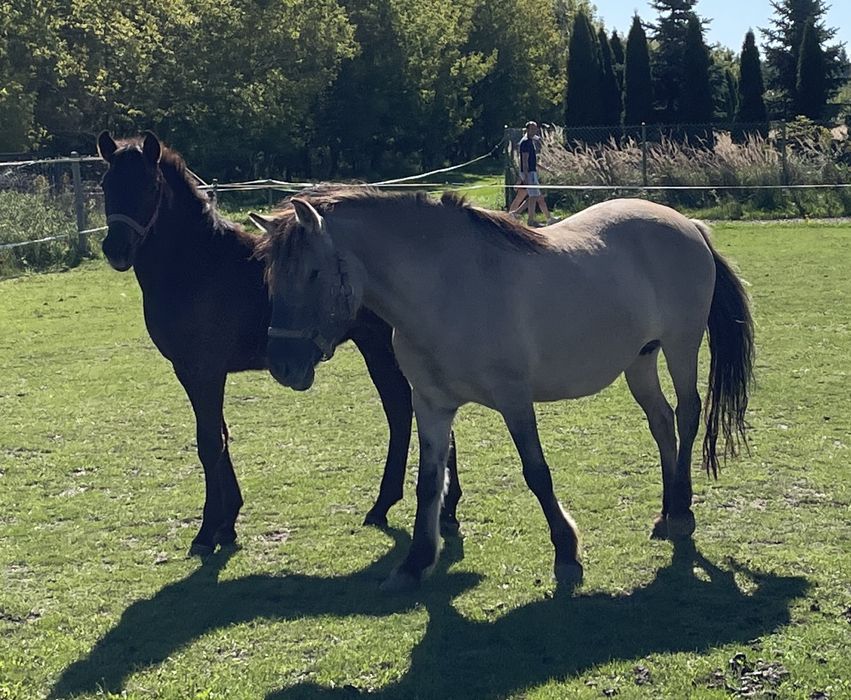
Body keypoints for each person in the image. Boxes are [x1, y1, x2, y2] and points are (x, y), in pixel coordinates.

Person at [511, 121, 558, 227]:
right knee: (534, 197)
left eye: (535, 129)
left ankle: (548, 218)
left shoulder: (531, 141)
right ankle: (528, 219)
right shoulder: (525, 142)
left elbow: (533, 161)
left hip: (532, 172)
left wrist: (546, 169)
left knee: (538, 197)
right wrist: (526, 177)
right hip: (529, 174)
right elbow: (524, 161)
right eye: (532, 129)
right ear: (527, 130)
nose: (534, 131)